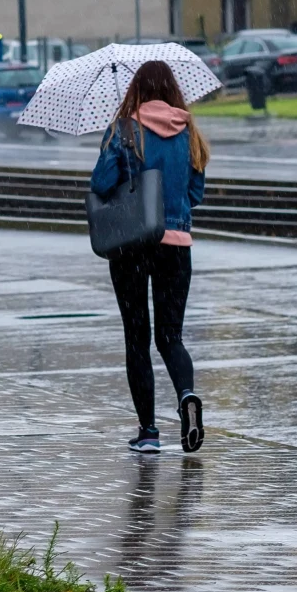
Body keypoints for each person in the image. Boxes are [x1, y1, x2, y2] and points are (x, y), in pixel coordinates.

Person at [91, 61, 209, 454]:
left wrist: (116, 145)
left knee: (137, 339)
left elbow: (101, 184)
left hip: (132, 245)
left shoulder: (126, 129)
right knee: (171, 337)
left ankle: (148, 433)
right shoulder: (188, 131)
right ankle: (187, 395)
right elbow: (194, 195)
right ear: (173, 89)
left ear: (136, 90)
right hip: (176, 245)